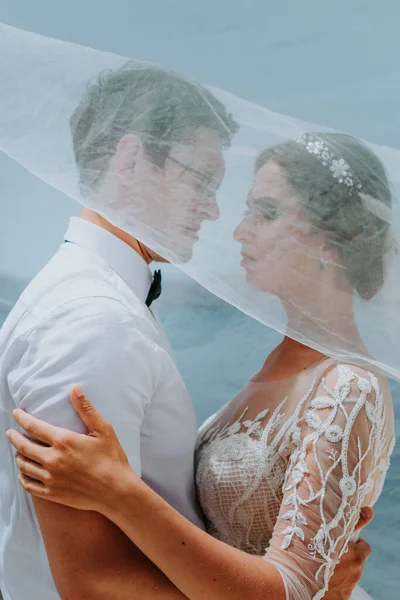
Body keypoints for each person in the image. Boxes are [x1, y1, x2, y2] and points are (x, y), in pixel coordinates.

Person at [7, 132, 392, 600]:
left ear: (332, 242)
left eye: (266, 213)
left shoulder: (347, 385)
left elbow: (294, 589)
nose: (238, 230)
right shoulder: (273, 366)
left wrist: (118, 490)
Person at [0, 61, 237, 600]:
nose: (214, 208)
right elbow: (94, 582)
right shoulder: (93, 320)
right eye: (201, 179)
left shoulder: (105, 299)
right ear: (130, 159)